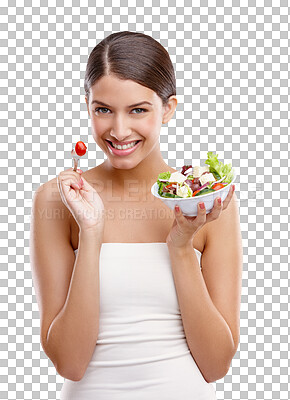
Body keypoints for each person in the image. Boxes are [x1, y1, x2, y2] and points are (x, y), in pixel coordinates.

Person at [30, 31, 243, 400]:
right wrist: (92, 231)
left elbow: (216, 365)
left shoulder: (208, 204)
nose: (119, 130)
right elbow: (70, 363)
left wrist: (180, 246)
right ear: (88, 106)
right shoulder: (57, 199)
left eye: (138, 110)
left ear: (169, 108)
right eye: (103, 110)